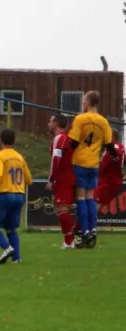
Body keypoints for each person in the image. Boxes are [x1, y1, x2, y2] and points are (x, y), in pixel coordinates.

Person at [68, 91, 116, 247]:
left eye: (83, 100)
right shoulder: (103, 121)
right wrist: (115, 155)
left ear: (88, 102)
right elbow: (109, 144)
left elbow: (73, 142)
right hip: (94, 164)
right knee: (91, 198)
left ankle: (85, 231)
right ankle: (93, 229)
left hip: (80, 161)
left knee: (81, 198)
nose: (83, 103)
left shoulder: (80, 119)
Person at [0, 128, 32, 264]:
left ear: (0, 140)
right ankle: (16, 258)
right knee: (11, 228)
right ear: (14, 141)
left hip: (4, 195)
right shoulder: (19, 157)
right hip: (19, 195)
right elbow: (28, 179)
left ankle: (6, 248)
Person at [73, 128, 124, 248]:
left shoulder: (111, 150)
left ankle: (81, 230)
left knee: (90, 204)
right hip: (112, 183)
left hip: (107, 183)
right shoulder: (120, 147)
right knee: (94, 206)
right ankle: (85, 232)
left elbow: (101, 168)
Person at [45, 114, 76, 249]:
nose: (48, 124)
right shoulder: (65, 138)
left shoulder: (60, 138)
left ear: (56, 123)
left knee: (62, 207)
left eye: (50, 121)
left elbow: (56, 160)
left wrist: (51, 179)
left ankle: (69, 241)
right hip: (67, 176)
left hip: (64, 178)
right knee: (61, 208)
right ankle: (69, 239)